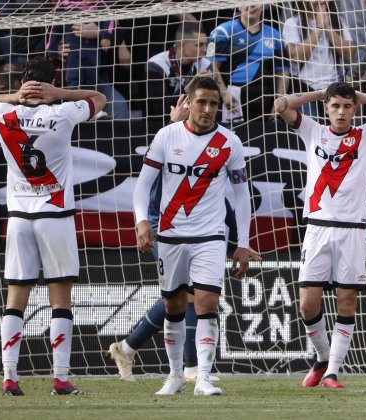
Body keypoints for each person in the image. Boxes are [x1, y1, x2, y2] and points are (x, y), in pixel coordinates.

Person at [109, 95, 260, 382]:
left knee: (190, 295)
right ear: (188, 101)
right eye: (200, 101)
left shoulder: (221, 142)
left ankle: (134, 349)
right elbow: (152, 183)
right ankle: (184, 365)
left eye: (213, 103)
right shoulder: (172, 136)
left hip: (198, 226)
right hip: (164, 221)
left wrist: (236, 241)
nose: (207, 108)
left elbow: (220, 198)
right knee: (184, 295)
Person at [275, 82, 366, 388]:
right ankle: (322, 358)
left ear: (355, 109)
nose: (341, 112)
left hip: (352, 231)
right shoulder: (312, 131)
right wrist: (319, 94)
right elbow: (281, 105)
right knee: (308, 304)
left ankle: (333, 371)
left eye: (348, 106)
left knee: (346, 304)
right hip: (317, 229)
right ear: (326, 108)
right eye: (335, 106)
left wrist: (362, 97)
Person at [0, 56, 107, 396]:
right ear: (51, 81)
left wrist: (15, 97)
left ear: (24, 81)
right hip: (55, 216)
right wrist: (59, 93)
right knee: (60, 298)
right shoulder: (63, 113)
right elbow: (99, 98)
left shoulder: (2, 114)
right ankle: (60, 378)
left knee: (16, 297)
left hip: (19, 218)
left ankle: (10, 376)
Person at [46, 1, 129, 119]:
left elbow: (110, 20)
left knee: (92, 79)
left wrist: (102, 34)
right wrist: (52, 50)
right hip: (70, 58)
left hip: (92, 55)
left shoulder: (98, 3)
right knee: (75, 79)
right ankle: (74, 110)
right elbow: (54, 28)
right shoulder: (63, 4)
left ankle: (93, 110)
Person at [207, 5, 289, 124]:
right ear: (238, 6)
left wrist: (280, 100)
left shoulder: (274, 35)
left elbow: (283, 71)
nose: (252, 5)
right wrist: (224, 95)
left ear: (263, 6)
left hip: (262, 101)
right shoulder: (223, 31)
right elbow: (210, 66)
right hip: (231, 100)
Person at [282, 1, 357, 118]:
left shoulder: (338, 21)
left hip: (335, 89)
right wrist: (318, 28)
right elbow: (296, 55)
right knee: (311, 134)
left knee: (337, 133)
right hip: (305, 90)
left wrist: (327, 27)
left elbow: (349, 53)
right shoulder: (292, 22)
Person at [145, 19, 210, 125]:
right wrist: (188, 91)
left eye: (205, 44)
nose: (205, 50)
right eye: (199, 45)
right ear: (181, 45)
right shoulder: (156, 64)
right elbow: (158, 109)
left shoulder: (204, 65)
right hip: (159, 125)